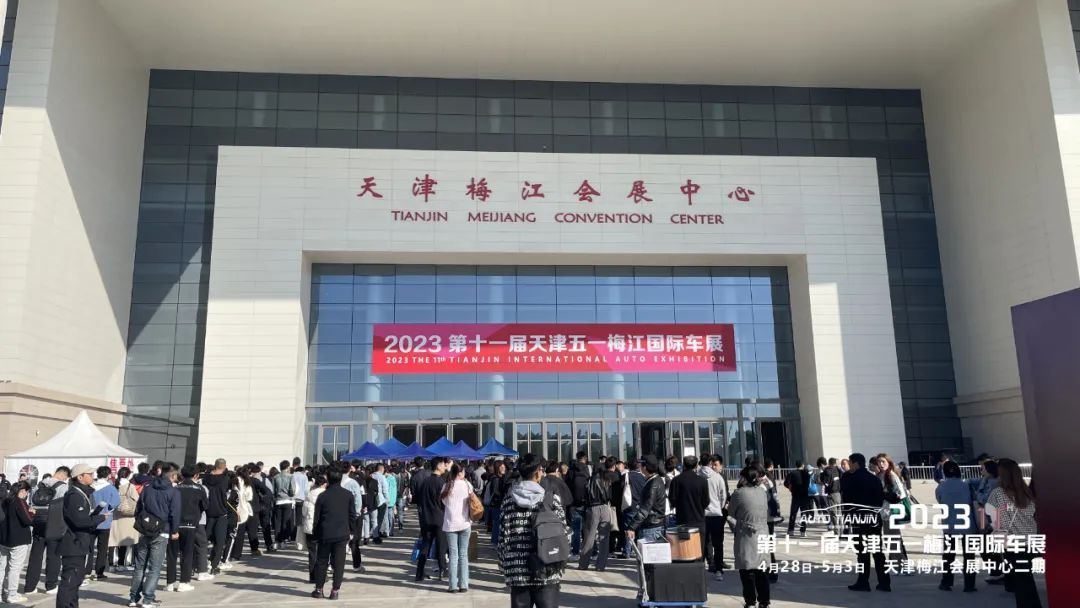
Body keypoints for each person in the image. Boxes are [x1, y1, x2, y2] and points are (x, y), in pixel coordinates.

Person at [496, 454, 570, 608]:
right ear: (537, 473)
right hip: (547, 567)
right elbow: (564, 534)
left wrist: (504, 566)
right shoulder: (551, 500)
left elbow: (503, 537)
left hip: (517, 570)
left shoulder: (508, 501)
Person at [985, 458, 1042, 607]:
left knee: (1021, 582)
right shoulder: (1026, 492)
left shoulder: (998, 493)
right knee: (1026, 579)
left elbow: (989, 514)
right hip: (1029, 541)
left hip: (1010, 542)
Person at [128, 463, 180, 608]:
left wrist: (142, 522)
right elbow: (175, 513)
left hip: (144, 529)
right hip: (162, 530)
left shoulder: (148, 488)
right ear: (172, 476)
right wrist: (174, 531)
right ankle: (148, 599)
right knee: (154, 568)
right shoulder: (173, 492)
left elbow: (138, 508)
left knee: (139, 566)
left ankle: (133, 598)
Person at [57, 464, 106, 608]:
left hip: (79, 542)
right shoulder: (75, 495)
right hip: (73, 543)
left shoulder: (82, 493)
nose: (92, 476)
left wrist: (96, 515)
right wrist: (100, 518)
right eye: (89, 474)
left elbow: (83, 518)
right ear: (80, 477)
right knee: (70, 581)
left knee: (76, 580)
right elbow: (79, 521)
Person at [842, 453, 890, 593]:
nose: (849, 466)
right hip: (874, 520)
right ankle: (884, 582)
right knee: (878, 552)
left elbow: (847, 500)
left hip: (859, 520)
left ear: (856, 463)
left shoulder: (849, 478)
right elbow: (880, 498)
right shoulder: (874, 479)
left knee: (862, 553)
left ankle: (863, 582)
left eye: (850, 463)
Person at [311, 466, 357, 600]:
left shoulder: (322, 496)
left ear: (328, 479)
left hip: (325, 533)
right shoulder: (348, 495)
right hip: (342, 533)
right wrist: (352, 531)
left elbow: (317, 518)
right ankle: (335, 591)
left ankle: (319, 589)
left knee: (322, 561)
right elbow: (352, 515)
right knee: (339, 563)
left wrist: (315, 533)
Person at [729, 462, 770, 608]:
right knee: (762, 570)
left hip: (746, 535)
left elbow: (731, 513)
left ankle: (750, 601)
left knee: (747, 570)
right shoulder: (762, 492)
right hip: (763, 533)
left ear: (744, 478)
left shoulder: (738, 494)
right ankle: (764, 601)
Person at [23, 466, 69, 595]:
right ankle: (51, 586)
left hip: (38, 521)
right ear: (64, 474)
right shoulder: (63, 487)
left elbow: (32, 501)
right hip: (54, 522)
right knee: (53, 555)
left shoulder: (39, 484)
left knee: (36, 555)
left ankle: (30, 587)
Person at [935, 460, 976, 592]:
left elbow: (940, 500)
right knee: (969, 555)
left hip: (949, 523)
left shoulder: (941, 487)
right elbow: (973, 500)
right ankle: (969, 584)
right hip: (967, 523)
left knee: (948, 554)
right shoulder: (966, 485)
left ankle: (946, 582)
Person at [166, 465, 206, 594]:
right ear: (196, 475)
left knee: (172, 554)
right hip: (190, 525)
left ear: (181, 475)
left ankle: (170, 583)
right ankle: (184, 582)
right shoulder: (199, 488)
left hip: (174, 525)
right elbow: (205, 506)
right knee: (187, 554)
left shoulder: (175, 488)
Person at [441, 464, 474, 593]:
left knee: (453, 555)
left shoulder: (447, 486)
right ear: (460, 473)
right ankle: (464, 584)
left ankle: (453, 585)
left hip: (451, 524)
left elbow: (444, 502)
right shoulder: (467, 485)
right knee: (463, 554)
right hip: (465, 523)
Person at [0, 481, 34, 604]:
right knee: (15, 568)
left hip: (4, 539)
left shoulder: (5, 501)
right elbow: (28, 520)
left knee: (2, 567)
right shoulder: (20, 502)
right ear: (22, 491)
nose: (26, 494)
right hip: (18, 539)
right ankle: (12, 594)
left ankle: (2, 593)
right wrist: (32, 512)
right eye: (26, 491)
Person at [416, 457, 448, 582]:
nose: (445, 467)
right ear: (438, 466)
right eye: (443, 464)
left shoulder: (425, 482)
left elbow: (420, 500)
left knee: (425, 545)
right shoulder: (441, 482)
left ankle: (419, 573)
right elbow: (444, 502)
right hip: (439, 518)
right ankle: (442, 571)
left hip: (426, 518)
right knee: (441, 546)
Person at [578, 462, 613, 572]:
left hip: (593, 508)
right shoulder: (607, 480)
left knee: (589, 537)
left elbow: (585, 495)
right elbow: (610, 496)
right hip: (605, 507)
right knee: (604, 538)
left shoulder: (590, 480)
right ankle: (600, 565)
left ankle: (583, 564)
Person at [699, 454, 729, 580]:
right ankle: (718, 570)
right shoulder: (718, 477)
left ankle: (701, 571)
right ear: (710, 463)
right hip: (716, 514)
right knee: (718, 544)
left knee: (703, 544)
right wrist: (719, 507)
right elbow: (723, 496)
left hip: (702, 515)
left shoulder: (698, 476)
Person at [87, 466, 119, 581]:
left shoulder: (91, 487)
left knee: (89, 547)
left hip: (90, 520)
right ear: (108, 475)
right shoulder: (111, 488)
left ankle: (86, 571)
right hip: (105, 521)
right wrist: (107, 509)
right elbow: (116, 502)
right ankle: (99, 572)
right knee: (102, 548)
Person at [625, 456, 666, 544]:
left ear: (645, 467)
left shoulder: (653, 484)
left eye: (641, 464)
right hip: (654, 524)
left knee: (650, 552)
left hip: (652, 526)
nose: (639, 467)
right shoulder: (655, 480)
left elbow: (645, 509)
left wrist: (631, 527)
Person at [202, 459, 229, 575]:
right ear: (224, 467)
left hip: (207, 512)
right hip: (221, 512)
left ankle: (199, 564)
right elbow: (227, 494)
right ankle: (214, 565)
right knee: (219, 541)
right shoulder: (225, 479)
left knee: (203, 540)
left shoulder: (205, 478)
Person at [110, 467, 139, 574]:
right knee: (125, 542)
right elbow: (137, 500)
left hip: (116, 517)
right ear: (128, 475)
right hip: (127, 517)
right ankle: (122, 564)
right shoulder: (130, 486)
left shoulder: (114, 485)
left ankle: (112, 564)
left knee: (114, 541)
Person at [301, 474, 327, 583]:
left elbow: (303, 512)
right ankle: (322, 576)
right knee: (323, 553)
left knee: (312, 553)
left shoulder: (309, 494)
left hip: (309, 526)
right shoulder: (326, 495)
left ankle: (312, 576)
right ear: (324, 484)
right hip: (322, 527)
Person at [341, 463, 365, 573]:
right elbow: (358, 500)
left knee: (338, 542)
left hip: (339, 515)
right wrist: (357, 513)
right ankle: (356, 565)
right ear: (349, 470)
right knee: (354, 541)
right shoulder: (353, 483)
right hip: (352, 515)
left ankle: (333, 565)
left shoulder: (335, 481)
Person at [564, 452, 589, 556]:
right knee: (587, 528)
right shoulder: (588, 469)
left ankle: (575, 551)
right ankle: (589, 550)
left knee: (576, 529)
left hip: (574, 503)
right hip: (586, 503)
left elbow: (567, 486)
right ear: (585, 459)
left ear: (577, 458)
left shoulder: (571, 470)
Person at [783, 460, 810, 537]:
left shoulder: (792, 473)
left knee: (793, 513)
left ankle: (791, 530)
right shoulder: (806, 473)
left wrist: (790, 488)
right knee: (804, 514)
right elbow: (808, 484)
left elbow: (785, 483)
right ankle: (803, 531)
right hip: (804, 496)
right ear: (802, 465)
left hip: (795, 495)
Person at [272, 461, 295, 548]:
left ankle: (276, 541)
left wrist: (275, 498)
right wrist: (291, 495)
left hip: (278, 501)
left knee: (278, 521)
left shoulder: (275, 477)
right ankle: (282, 541)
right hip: (287, 500)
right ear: (287, 467)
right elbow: (292, 490)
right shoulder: (290, 476)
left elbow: (273, 490)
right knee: (285, 522)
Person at [820, 458, 843, 532]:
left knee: (833, 513)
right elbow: (841, 477)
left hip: (832, 493)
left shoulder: (827, 471)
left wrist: (822, 477)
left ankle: (837, 530)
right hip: (838, 493)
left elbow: (826, 483)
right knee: (839, 512)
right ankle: (841, 529)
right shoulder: (838, 470)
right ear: (835, 463)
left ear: (829, 463)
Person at [290, 458, 308, 546]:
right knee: (300, 519)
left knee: (292, 519)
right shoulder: (304, 477)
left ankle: (292, 536)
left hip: (293, 499)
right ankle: (298, 539)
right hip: (302, 499)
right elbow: (306, 489)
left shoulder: (292, 476)